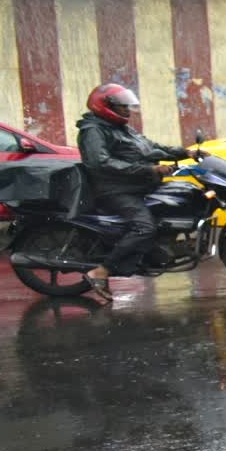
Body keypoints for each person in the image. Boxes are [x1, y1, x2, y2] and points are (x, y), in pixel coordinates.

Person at [77, 83, 197, 304]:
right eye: (123, 106)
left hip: (137, 185)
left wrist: (185, 152)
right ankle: (102, 271)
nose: (128, 111)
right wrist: (148, 169)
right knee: (144, 227)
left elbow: (150, 148)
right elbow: (100, 163)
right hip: (115, 189)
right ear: (107, 106)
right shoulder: (93, 131)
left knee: (180, 199)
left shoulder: (120, 127)